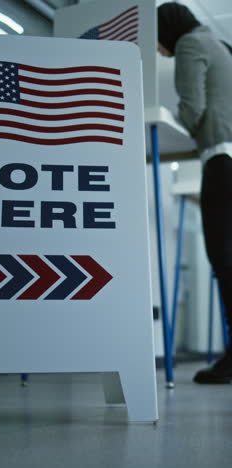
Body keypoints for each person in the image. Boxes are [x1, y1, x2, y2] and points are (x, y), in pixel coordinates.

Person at [157, 2, 232, 383]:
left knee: (223, 256)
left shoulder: (189, 44)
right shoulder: (219, 43)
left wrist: (176, 119)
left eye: (158, 42)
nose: (159, 50)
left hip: (222, 162)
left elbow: (193, 109)